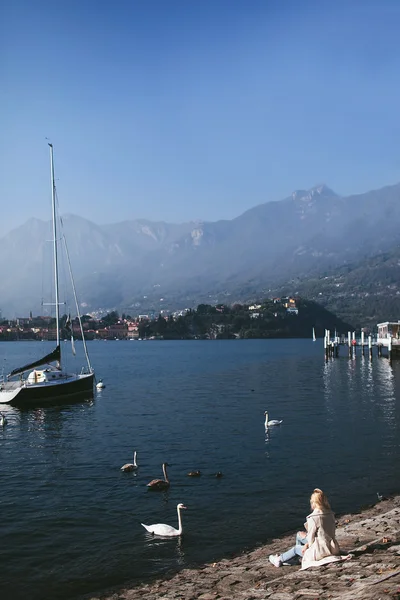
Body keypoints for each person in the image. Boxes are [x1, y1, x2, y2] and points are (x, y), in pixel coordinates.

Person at [269, 488, 341, 568]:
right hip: (332, 548)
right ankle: (298, 558)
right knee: (299, 535)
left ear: (314, 502)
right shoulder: (331, 514)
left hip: (319, 551)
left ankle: (279, 559)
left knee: (296, 548)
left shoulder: (314, 517)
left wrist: (306, 546)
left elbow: (311, 538)